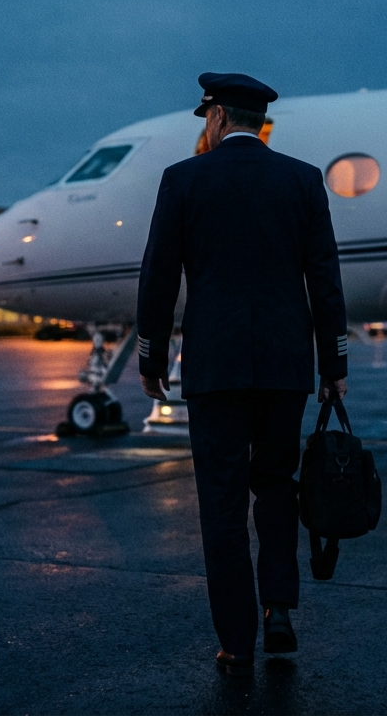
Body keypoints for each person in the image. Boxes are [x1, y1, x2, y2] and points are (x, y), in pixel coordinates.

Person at [137, 72, 349, 677]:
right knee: (277, 485)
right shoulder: (303, 180)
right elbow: (325, 278)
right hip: (285, 368)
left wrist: (152, 358)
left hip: (216, 368)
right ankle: (278, 608)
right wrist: (334, 364)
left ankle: (236, 639)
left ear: (219, 118)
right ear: (260, 123)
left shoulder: (183, 180)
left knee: (222, 504)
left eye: (207, 117)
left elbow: (158, 278)